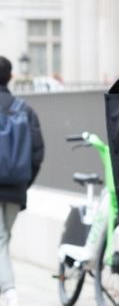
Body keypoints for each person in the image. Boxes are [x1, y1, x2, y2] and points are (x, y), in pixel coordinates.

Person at [0, 56, 44, 306]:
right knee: (4, 237)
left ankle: (10, 292)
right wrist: (23, 182)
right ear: (11, 77)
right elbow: (38, 153)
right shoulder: (24, 109)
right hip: (16, 187)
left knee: (1, 239)